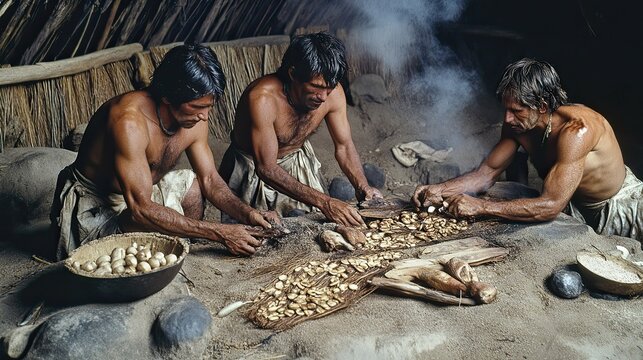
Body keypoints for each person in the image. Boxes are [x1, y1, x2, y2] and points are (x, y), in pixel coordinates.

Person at [51, 43, 279, 260]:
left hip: (141, 195)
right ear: (168, 96)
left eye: (209, 106)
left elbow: (210, 179)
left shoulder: (197, 118)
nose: (205, 116)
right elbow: (140, 210)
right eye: (198, 107)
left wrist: (248, 213)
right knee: (139, 223)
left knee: (192, 186)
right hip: (96, 205)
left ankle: (186, 248)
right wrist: (220, 232)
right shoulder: (129, 120)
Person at [413, 58, 642, 241]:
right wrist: (440, 189)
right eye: (506, 109)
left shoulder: (577, 131)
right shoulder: (519, 125)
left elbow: (551, 205)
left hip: (620, 207)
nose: (507, 118)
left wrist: (481, 206)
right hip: (574, 206)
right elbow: (486, 173)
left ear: (542, 106)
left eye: (516, 110)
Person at [219, 32, 382, 227]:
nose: (323, 97)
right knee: (257, 239)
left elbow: (344, 146)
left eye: (328, 88)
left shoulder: (334, 93)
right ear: (293, 74)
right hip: (251, 169)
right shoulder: (262, 98)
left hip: (298, 162)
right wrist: (325, 201)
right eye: (316, 87)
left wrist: (363, 186)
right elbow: (266, 168)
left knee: (317, 232)